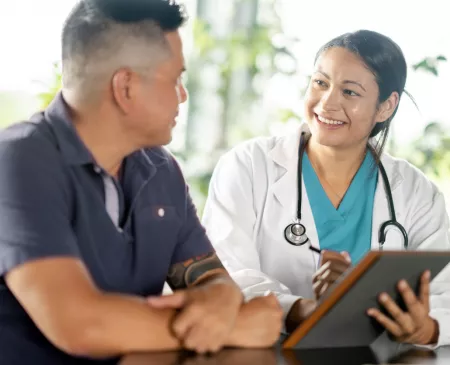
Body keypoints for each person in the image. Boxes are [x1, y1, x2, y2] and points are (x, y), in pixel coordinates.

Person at [0, 0, 283, 363]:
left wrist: (223, 299)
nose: (183, 95)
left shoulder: (161, 169)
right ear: (126, 87)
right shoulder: (18, 160)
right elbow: (80, 325)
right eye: (176, 79)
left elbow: (213, 281)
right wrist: (234, 326)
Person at [202, 30, 450, 347]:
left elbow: (443, 294)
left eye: (350, 92)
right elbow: (226, 275)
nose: (327, 103)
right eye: (321, 83)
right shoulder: (248, 167)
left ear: (386, 107)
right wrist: (308, 310)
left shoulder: (417, 194)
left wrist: (425, 328)